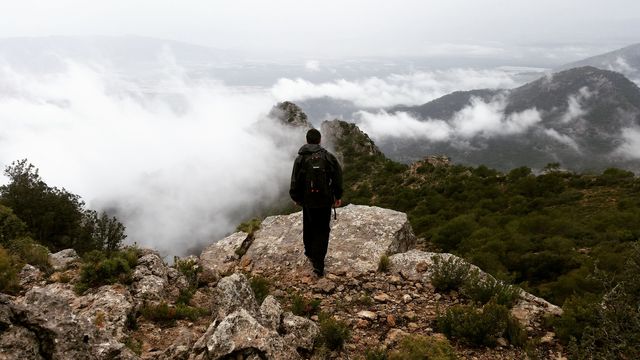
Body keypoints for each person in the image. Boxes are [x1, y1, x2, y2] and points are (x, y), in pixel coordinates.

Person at [290, 128, 343, 277]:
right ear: (320, 141)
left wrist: (296, 197)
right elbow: (338, 177)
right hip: (325, 200)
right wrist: (337, 196)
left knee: (308, 224)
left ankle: (309, 252)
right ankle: (319, 265)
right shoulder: (328, 157)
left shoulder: (300, 159)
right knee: (322, 230)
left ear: (307, 141)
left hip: (307, 200)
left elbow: (295, 180)